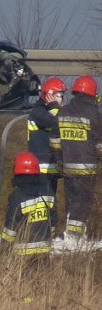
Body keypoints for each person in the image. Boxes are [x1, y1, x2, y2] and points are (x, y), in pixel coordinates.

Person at [50, 75, 102, 246]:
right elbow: (99, 142)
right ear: (92, 93)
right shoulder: (92, 113)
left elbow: (55, 141)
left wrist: (59, 161)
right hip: (87, 168)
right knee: (84, 203)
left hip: (67, 167)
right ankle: (74, 237)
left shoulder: (63, 112)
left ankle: (71, 233)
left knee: (72, 201)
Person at [0, 152, 57, 261]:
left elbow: (11, 227)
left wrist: (4, 249)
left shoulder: (17, 196)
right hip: (44, 250)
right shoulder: (49, 191)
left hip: (22, 253)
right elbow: (53, 223)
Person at [27, 77, 67, 194]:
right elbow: (54, 123)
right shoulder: (38, 112)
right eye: (59, 95)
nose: (61, 99)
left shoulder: (53, 110)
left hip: (51, 165)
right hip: (41, 167)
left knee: (51, 202)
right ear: (49, 95)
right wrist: (56, 108)